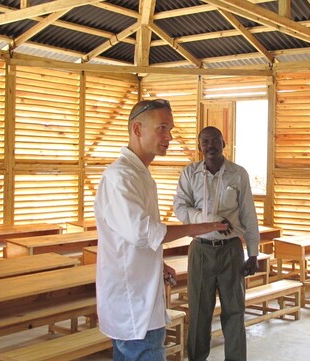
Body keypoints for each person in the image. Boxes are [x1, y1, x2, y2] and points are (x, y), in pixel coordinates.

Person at [95, 99, 229, 361]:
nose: (169, 137)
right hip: (133, 303)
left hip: (140, 293)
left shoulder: (139, 173)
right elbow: (144, 232)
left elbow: (135, 240)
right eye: (162, 128)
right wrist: (204, 227)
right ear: (137, 129)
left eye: (171, 129)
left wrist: (157, 263)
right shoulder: (120, 176)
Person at [173, 126, 260, 361]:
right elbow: (180, 208)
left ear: (224, 142)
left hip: (231, 250)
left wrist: (253, 253)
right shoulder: (189, 173)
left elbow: (248, 214)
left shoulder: (237, 174)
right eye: (205, 142)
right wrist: (209, 221)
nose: (210, 146)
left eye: (214, 141)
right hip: (201, 250)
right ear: (199, 146)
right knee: (199, 312)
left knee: (234, 311)